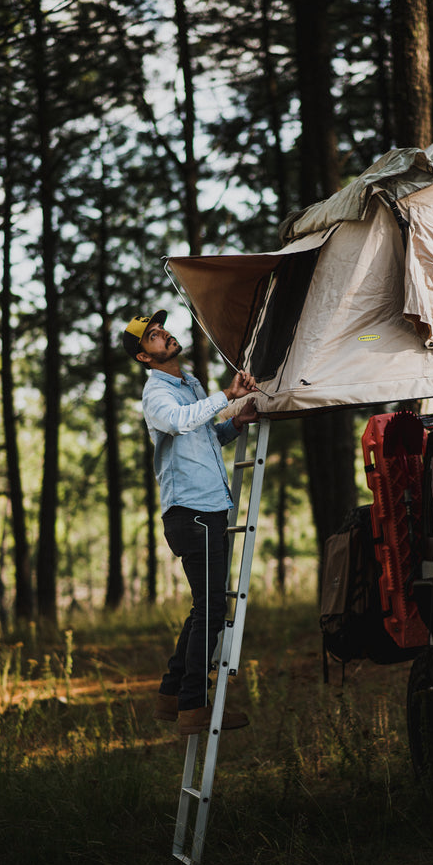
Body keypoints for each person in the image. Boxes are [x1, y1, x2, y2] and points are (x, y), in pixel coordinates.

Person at [123, 309, 259, 735]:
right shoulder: (156, 395)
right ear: (145, 358)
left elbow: (205, 437)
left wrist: (235, 421)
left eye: (161, 328)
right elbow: (182, 422)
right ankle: (193, 707)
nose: (162, 333)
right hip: (192, 513)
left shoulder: (189, 385)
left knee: (206, 608)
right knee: (213, 610)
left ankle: (170, 696)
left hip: (210, 509)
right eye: (151, 336)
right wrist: (226, 395)